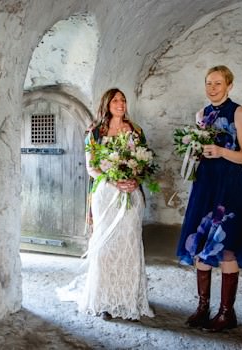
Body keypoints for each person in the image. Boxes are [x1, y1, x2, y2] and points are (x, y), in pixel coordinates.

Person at [176, 65, 242, 332]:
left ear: (229, 85)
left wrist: (222, 151)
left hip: (229, 185)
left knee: (226, 246)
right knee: (200, 242)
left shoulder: (239, 112)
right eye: (208, 83)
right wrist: (193, 152)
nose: (212, 88)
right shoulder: (202, 114)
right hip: (205, 184)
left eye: (217, 83)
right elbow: (198, 150)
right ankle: (203, 308)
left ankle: (227, 313)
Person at [79, 88, 154, 321]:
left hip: (131, 194)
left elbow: (144, 162)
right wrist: (114, 179)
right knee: (106, 244)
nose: (120, 104)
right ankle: (104, 300)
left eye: (123, 100)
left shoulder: (136, 131)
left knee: (129, 241)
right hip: (105, 194)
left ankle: (127, 297)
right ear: (106, 104)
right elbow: (92, 166)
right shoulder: (95, 132)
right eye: (115, 100)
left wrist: (134, 179)